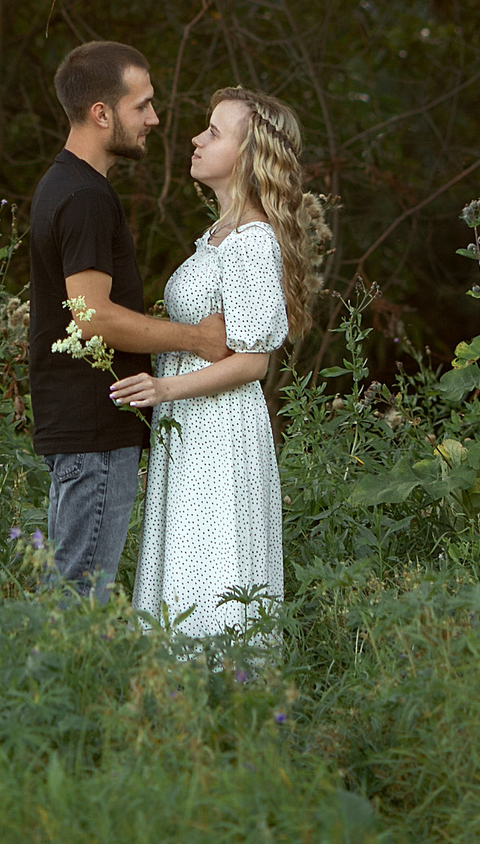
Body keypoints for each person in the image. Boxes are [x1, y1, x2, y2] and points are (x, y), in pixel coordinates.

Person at [110, 87, 330, 643]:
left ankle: (223, 698)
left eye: (214, 132)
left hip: (220, 428)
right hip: (191, 423)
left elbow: (253, 363)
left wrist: (164, 388)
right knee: (185, 564)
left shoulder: (253, 241)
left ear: (249, 155)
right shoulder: (217, 237)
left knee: (210, 568)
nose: (195, 138)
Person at [28, 41, 230, 600]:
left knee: (69, 583)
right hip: (94, 420)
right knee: (78, 594)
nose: (155, 119)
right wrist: (198, 337)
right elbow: (91, 318)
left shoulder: (64, 184)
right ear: (101, 112)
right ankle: (60, 687)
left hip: (84, 422)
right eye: (141, 106)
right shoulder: (86, 197)